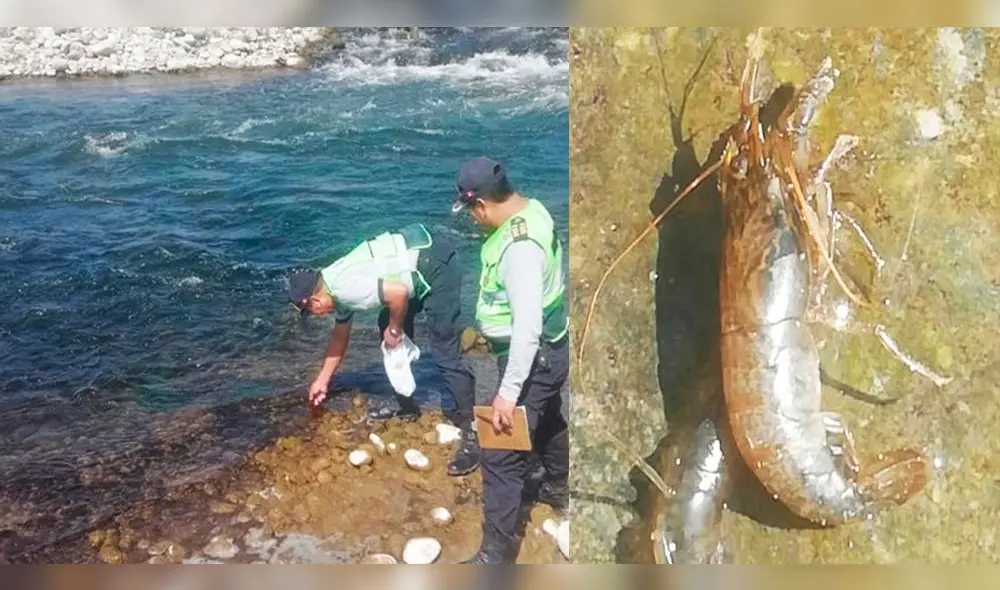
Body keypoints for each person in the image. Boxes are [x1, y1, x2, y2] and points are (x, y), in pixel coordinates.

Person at [286, 222, 481, 477]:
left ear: (314, 300)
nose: (318, 316)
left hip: (436, 264)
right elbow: (340, 337)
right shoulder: (330, 283)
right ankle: (407, 405)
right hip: (418, 259)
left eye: (312, 312)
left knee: (445, 349)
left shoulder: (345, 288)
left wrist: (396, 331)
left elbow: (398, 293)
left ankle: (473, 431)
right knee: (385, 322)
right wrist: (322, 380)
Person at [451, 157, 570, 564]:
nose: (473, 220)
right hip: (552, 351)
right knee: (549, 419)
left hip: (534, 358)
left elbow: (527, 329)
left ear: (482, 205)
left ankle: (494, 558)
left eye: (471, 212)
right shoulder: (532, 210)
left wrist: (507, 393)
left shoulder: (519, 250)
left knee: (500, 455)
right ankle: (557, 488)